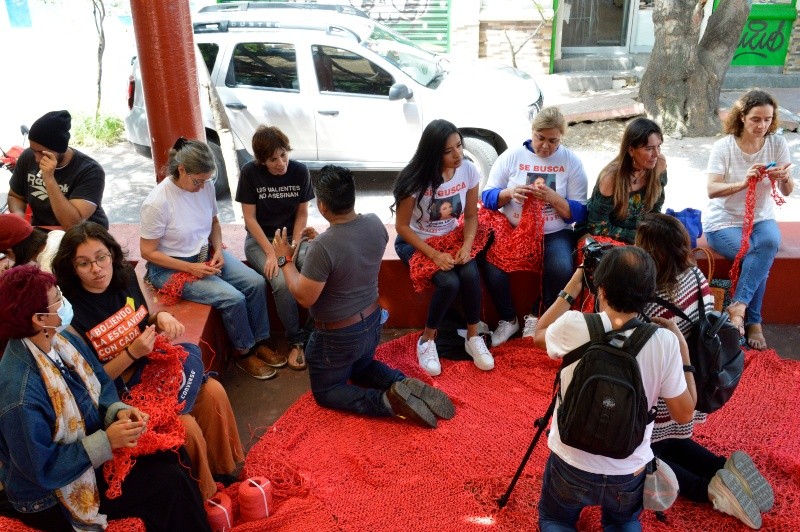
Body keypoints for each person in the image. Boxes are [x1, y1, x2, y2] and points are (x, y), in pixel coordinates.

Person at [0, 265, 210, 531]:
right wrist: (107, 441)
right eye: (57, 299)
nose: (64, 303)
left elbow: (99, 381)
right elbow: (42, 470)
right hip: (52, 496)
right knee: (169, 481)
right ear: (40, 319)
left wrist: (118, 411)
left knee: (172, 451)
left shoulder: (61, 340)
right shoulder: (21, 396)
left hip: (88, 456)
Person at [53, 221, 245, 500]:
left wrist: (159, 317)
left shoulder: (124, 276)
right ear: (72, 268)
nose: (96, 269)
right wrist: (131, 353)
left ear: (111, 254)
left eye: (101, 257)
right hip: (120, 393)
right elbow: (91, 382)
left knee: (214, 393)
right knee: (185, 427)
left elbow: (142, 320)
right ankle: (205, 496)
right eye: (84, 264)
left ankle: (224, 472)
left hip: (153, 369)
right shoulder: (70, 313)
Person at [272, 165, 455, 428]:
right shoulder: (374, 223)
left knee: (327, 391)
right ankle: (401, 383)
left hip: (337, 338)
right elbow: (351, 253)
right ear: (352, 196)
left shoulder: (323, 247)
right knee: (361, 367)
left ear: (322, 206)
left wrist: (284, 259)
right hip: (371, 325)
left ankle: (387, 401)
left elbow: (304, 297)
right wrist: (323, 241)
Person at [533, 246, 696, 530]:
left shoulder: (573, 325)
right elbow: (684, 414)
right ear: (648, 295)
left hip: (571, 464)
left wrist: (572, 287)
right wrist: (682, 349)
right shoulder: (664, 342)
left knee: (555, 519)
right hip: (628, 470)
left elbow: (538, 335)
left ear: (601, 289)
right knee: (624, 522)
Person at [637, 212, 773, 529]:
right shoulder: (696, 275)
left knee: (645, 455)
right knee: (670, 442)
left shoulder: (649, 300)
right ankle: (724, 467)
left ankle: (709, 488)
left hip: (666, 395)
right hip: (697, 379)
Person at [140, 138, 284, 380]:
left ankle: (261, 342)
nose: (202, 187)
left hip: (205, 254)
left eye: (206, 181)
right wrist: (190, 268)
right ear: (181, 169)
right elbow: (148, 252)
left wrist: (217, 250)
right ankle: (244, 352)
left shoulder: (205, 186)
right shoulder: (157, 202)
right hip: (171, 267)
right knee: (233, 298)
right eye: (197, 181)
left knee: (256, 283)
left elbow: (214, 223)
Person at [392, 119, 494, 377]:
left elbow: (471, 215)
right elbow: (401, 227)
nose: (458, 154)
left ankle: (473, 337)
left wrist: (467, 246)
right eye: (449, 151)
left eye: (459, 145)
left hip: (452, 237)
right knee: (449, 283)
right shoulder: (415, 180)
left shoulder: (468, 170)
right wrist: (434, 255)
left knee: (470, 273)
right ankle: (427, 340)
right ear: (433, 153)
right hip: (416, 242)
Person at [481, 106, 588, 342]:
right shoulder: (512, 156)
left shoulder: (571, 162)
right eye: (540, 138)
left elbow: (580, 212)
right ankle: (508, 319)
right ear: (532, 132)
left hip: (554, 231)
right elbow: (487, 197)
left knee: (561, 267)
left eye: (553, 140)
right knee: (492, 265)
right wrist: (509, 193)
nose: (545, 146)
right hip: (514, 230)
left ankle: (538, 315)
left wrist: (554, 198)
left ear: (561, 138)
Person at [703, 89, 794, 350]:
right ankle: (754, 321)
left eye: (767, 119)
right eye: (756, 119)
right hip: (723, 221)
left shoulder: (777, 143)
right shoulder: (724, 147)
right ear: (742, 117)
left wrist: (784, 178)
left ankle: (738, 306)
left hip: (760, 218)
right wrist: (743, 182)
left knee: (768, 243)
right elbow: (712, 189)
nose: (762, 125)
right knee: (751, 253)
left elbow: (787, 191)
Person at [236, 125, 314, 371]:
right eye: (273, 160)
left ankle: (314, 332)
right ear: (262, 161)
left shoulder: (300, 171)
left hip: (293, 237)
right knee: (280, 281)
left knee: (313, 268)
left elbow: (302, 213)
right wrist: (272, 253)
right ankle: (296, 341)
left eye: (283, 155)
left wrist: (294, 246)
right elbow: (249, 219)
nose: (281, 163)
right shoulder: (250, 173)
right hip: (262, 241)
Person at [7, 110, 109, 229]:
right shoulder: (28, 157)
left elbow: (73, 225)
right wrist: (19, 216)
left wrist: (49, 178)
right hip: (43, 229)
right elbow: (15, 196)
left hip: (84, 233)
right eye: (34, 150)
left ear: (60, 149)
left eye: (42, 152)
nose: (37, 159)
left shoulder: (90, 171)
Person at [581, 117, 667, 245]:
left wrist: (651, 232)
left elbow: (655, 210)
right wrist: (636, 236)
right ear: (631, 150)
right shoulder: (611, 178)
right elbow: (597, 227)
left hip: (638, 232)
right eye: (649, 149)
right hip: (605, 234)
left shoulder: (659, 164)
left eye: (658, 146)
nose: (656, 154)